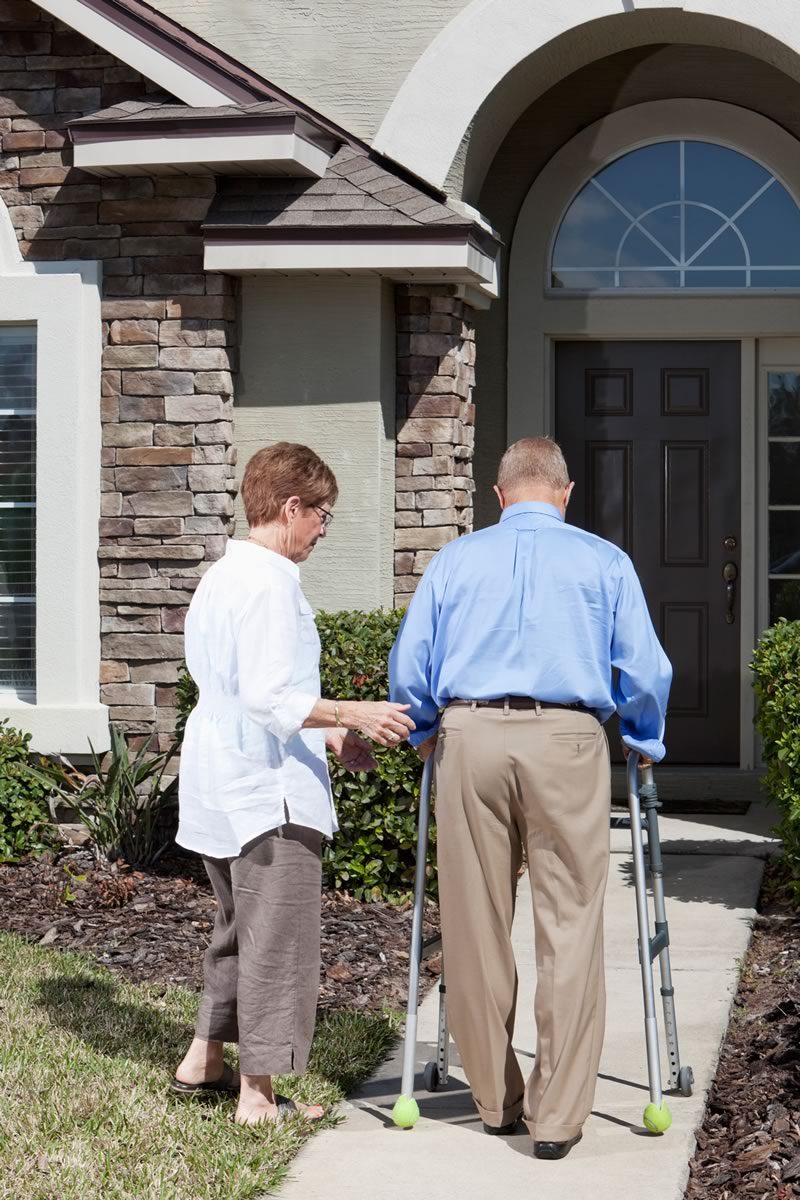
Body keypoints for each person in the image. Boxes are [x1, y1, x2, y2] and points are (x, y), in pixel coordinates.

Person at [389, 436, 671, 1160]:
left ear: (500, 494)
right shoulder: (604, 561)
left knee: (475, 920)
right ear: (566, 494)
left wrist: (423, 728)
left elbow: (411, 665)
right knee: (570, 924)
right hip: (568, 740)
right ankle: (557, 1119)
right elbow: (643, 670)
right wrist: (644, 737)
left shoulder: (454, 560)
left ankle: (494, 1101)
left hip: (469, 736)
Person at [172, 441, 414, 1126]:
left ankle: (204, 1058)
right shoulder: (272, 581)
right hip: (267, 792)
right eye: (323, 516)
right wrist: (351, 711)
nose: (323, 531)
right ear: (291, 506)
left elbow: (242, 689)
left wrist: (328, 735)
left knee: (238, 926)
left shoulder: (223, 574)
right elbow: (271, 694)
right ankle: (258, 1096)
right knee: (278, 938)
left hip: (222, 779)